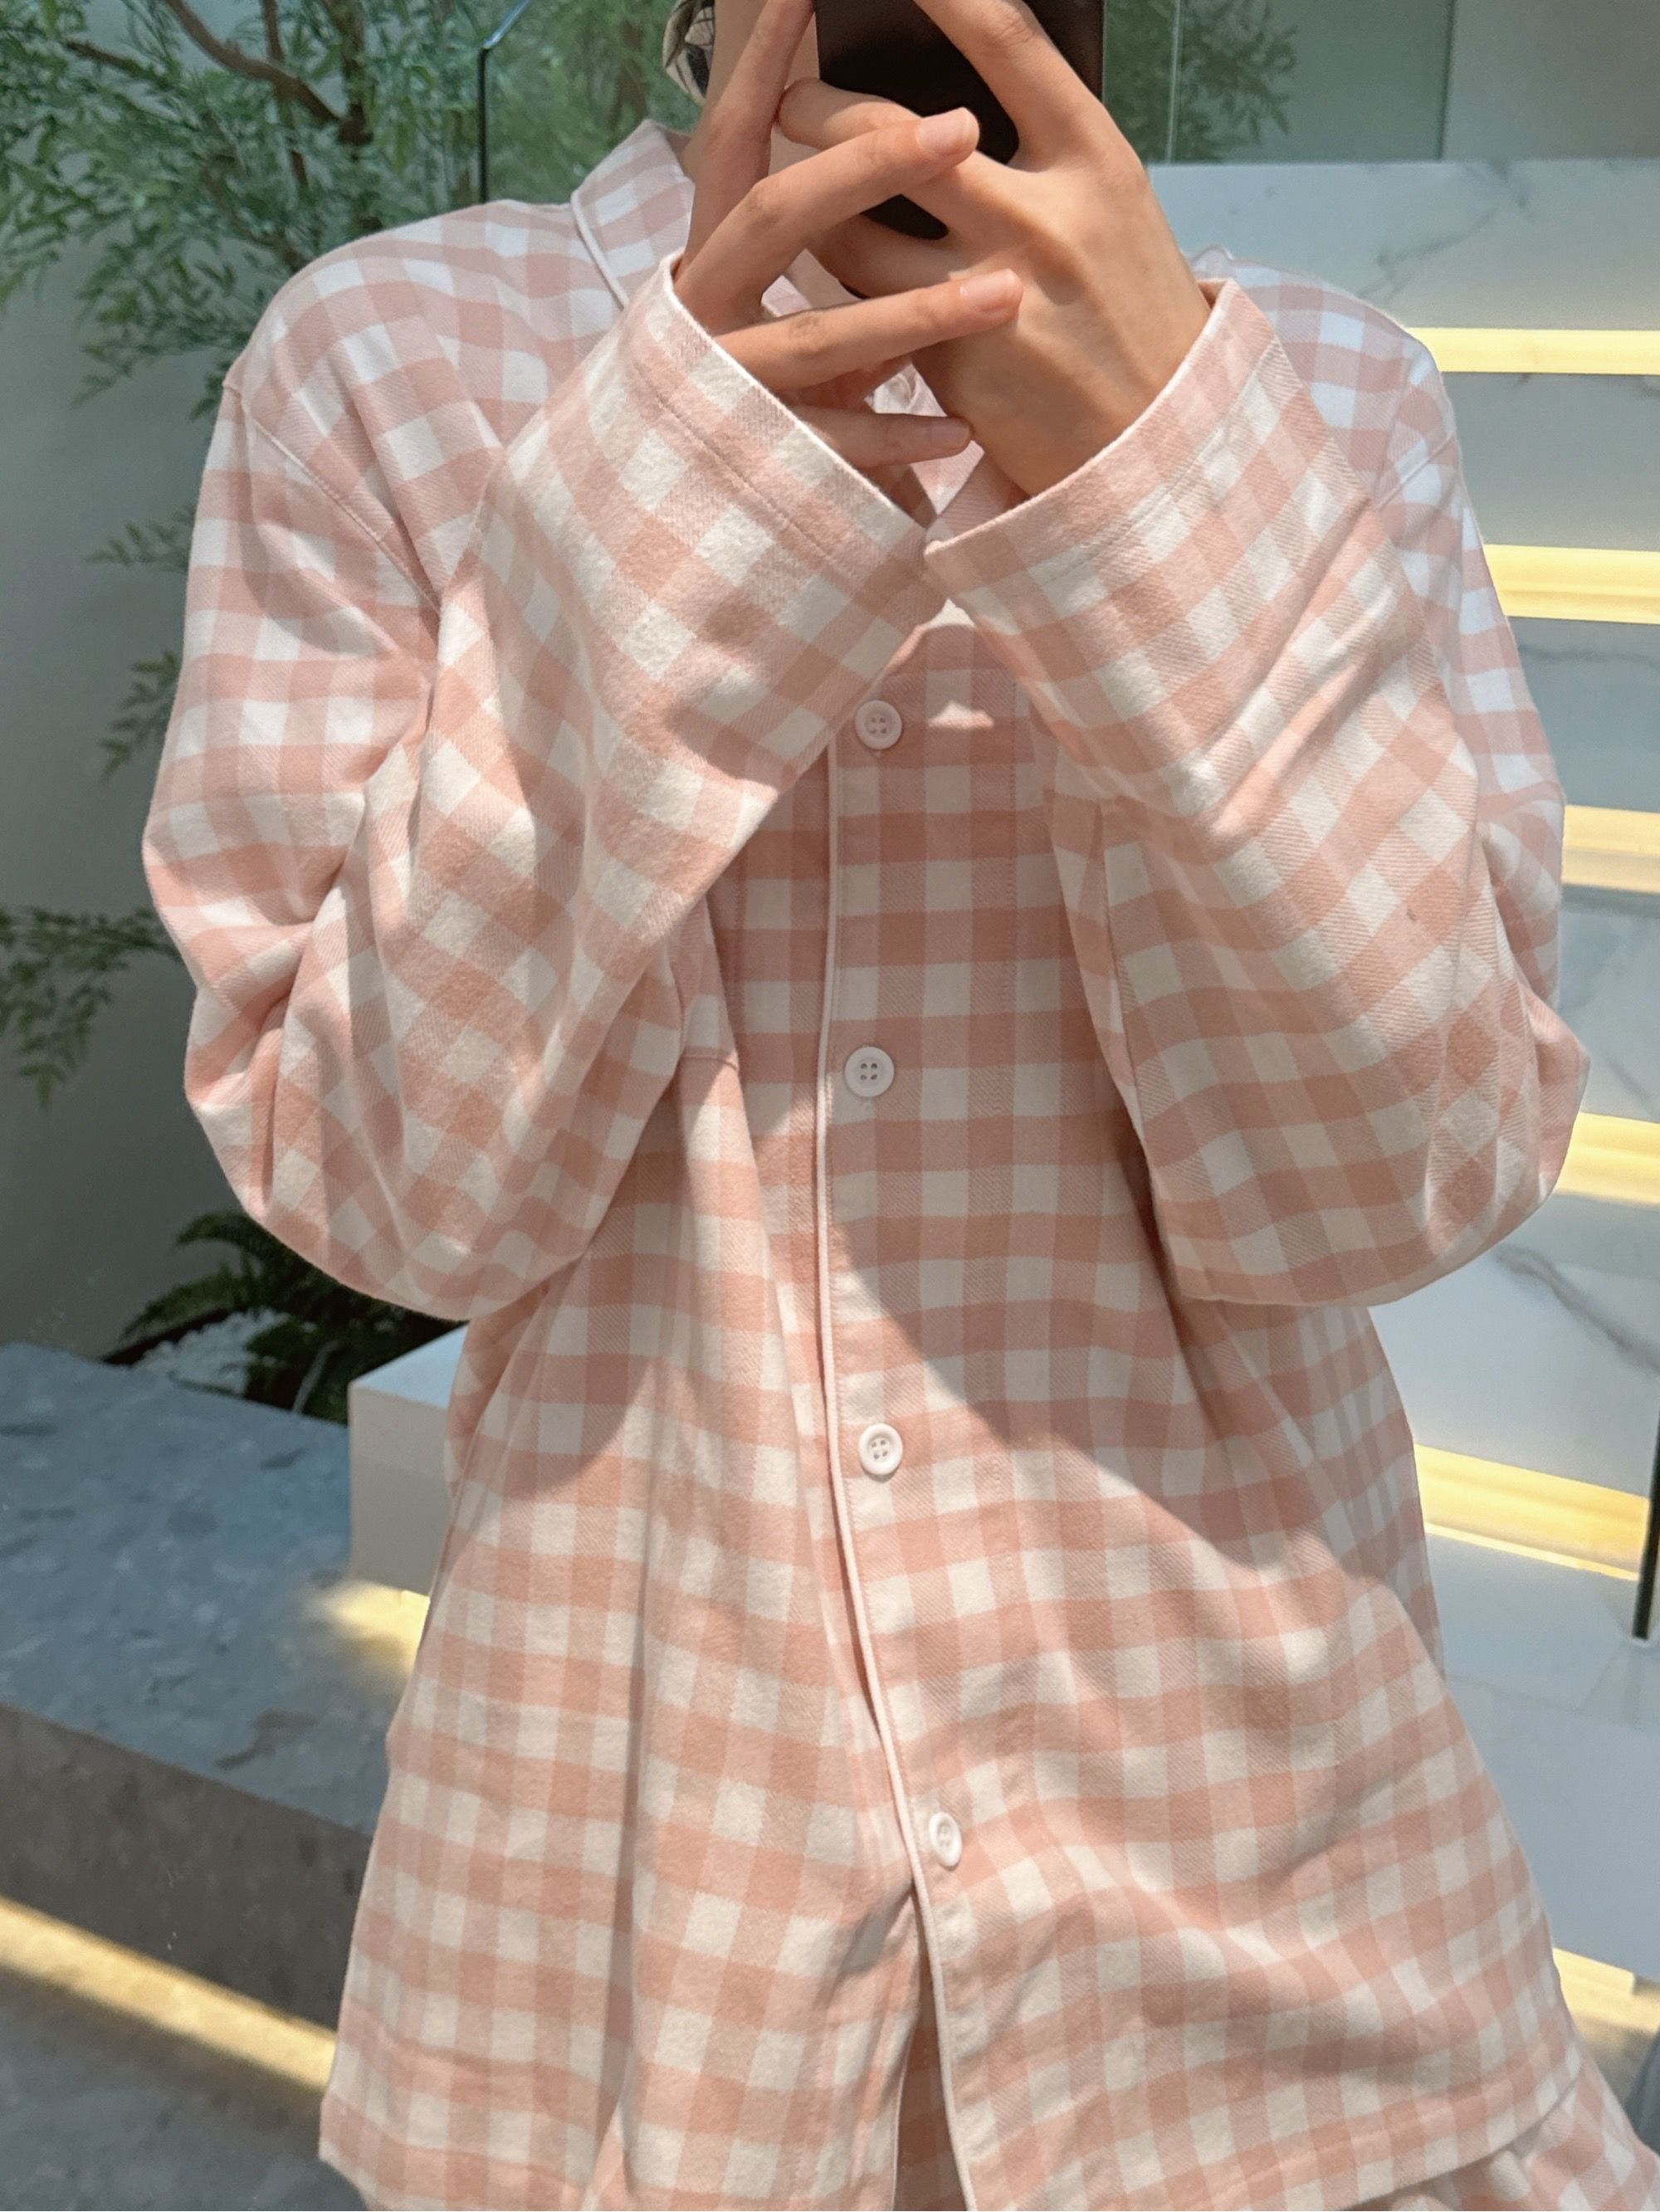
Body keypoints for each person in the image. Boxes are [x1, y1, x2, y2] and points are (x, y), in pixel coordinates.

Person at [139, 0, 1660, 2205]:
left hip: (1270, 1903)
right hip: (651, 1922)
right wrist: (658, 514)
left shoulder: (1322, 395)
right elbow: (387, 1195)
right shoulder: (396, 361)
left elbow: (1402, 1184)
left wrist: (1166, 499)